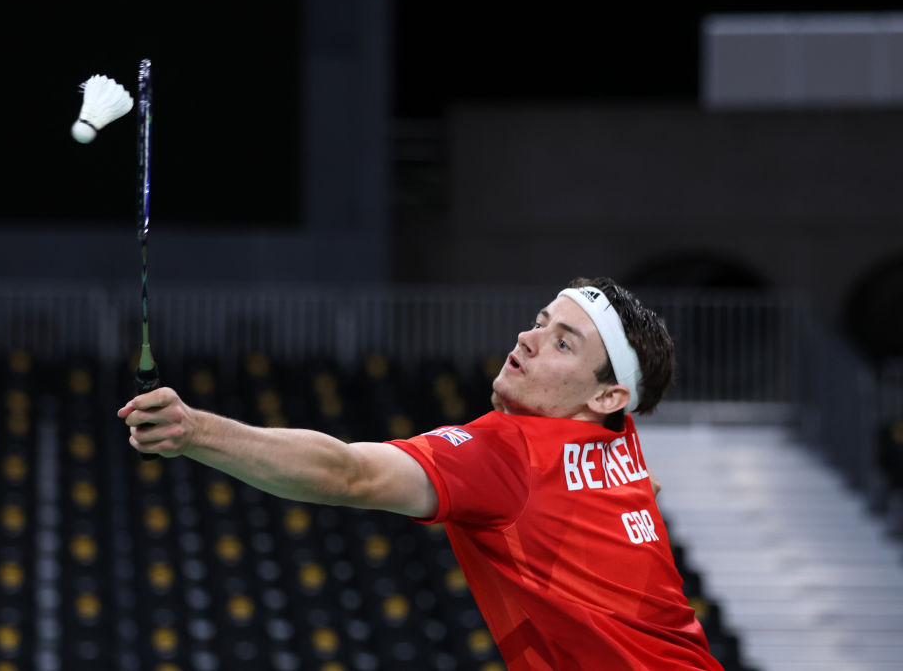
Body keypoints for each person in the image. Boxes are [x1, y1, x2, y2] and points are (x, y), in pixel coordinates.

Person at [118, 277, 725, 670]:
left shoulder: (507, 452)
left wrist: (195, 432)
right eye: (541, 321)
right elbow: (640, 484)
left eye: (563, 343)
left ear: (607, 397)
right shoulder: (619, 434)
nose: (528, 338)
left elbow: (348, 474)